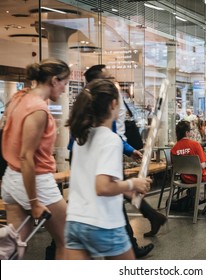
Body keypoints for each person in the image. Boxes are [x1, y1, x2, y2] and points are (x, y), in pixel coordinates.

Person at [83, 64, 165, 256]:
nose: (114, 81)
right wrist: (133, 183)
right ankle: (139, 234)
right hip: (94, 222)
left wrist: (128, 150)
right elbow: (104, 187)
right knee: (116, 198)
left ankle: (144, 227)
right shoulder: (103, 137)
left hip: (80, 221)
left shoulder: (85, 133)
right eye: (108, 77)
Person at [65, 79, 152, 260]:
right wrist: (132, 183)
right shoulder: (111, 140)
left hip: (75, 222)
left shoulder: (81, 138)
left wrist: (130, 190)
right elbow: (103, 187)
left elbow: (89, 181)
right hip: (104, 225)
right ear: (113, 104)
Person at [1, 58, 70, 259]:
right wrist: (34, 202)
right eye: (64, 83)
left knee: (15, 249)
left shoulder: (19, 97)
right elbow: (26, 157)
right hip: (35, 182)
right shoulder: (38, 110)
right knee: (67, 239)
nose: (65, 90)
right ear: (54, 80)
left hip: (11, 179)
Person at [171, 121, 206, 207]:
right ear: (187, 133)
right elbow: (203, 165)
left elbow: (174, 166)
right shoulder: (195, 144)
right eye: (191, 130)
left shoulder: (174, 148)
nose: (192, 131)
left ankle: (194, 196)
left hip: (184, 178)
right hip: (199, 177)